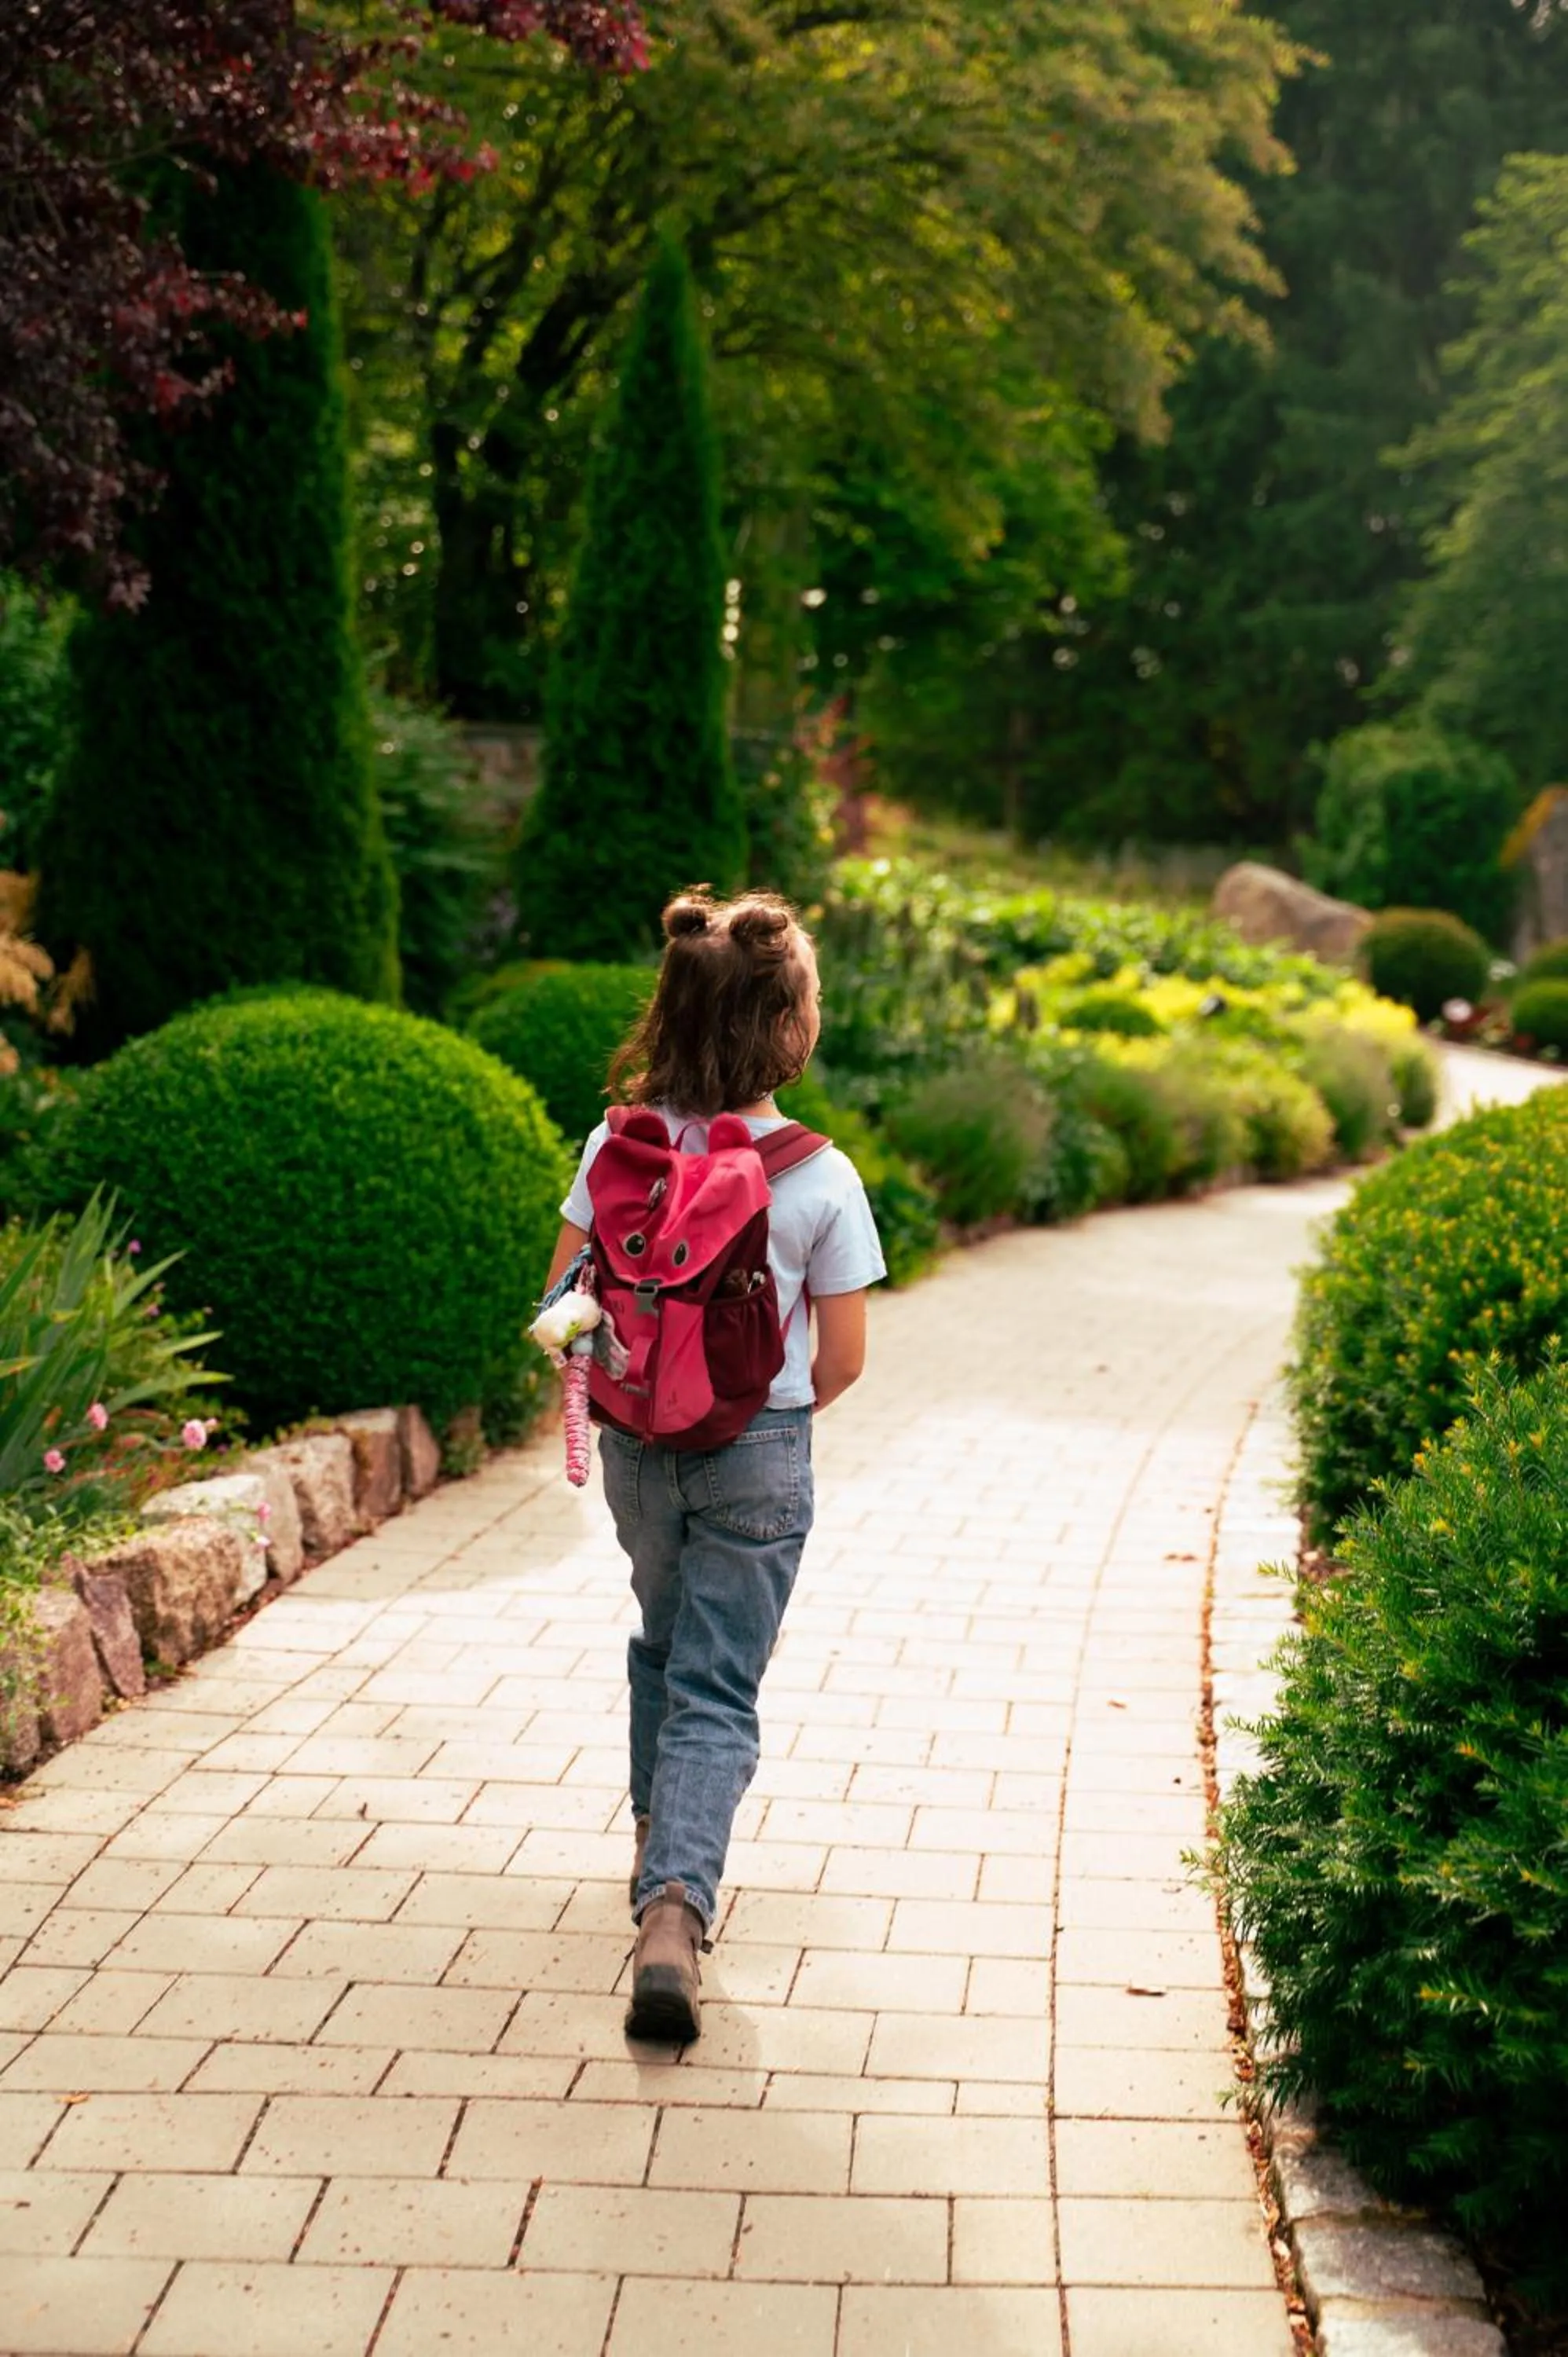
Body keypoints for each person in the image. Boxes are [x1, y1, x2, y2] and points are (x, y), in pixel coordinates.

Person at [542, 888, 885, 2043]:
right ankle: (675, 1911)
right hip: (758, 1451)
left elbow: (558, 1305)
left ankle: (656, 1835)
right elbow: (840, 1361)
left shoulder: (614, 1145)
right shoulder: (819, 1177)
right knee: (718, 1685)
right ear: (791, 1025)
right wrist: (754, 1403)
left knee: (662, 1638)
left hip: (637, 1452)